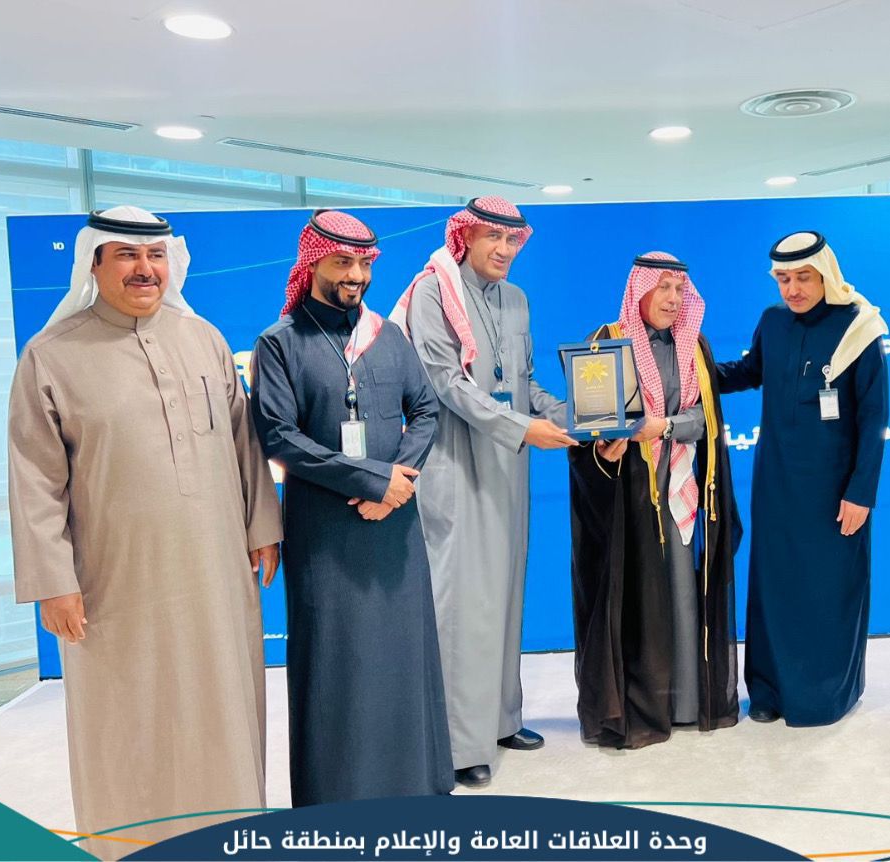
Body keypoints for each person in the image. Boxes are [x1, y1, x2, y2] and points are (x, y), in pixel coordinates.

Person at [7, 206, 281, 857]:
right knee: (128, 716)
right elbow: (35, 477)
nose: (144, 269)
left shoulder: (204, 339)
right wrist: (53, 582)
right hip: (115, 583)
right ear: (94, 262)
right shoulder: (52, 356)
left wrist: (262, 526)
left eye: (155, 255)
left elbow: (243, 442)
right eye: (127, 255)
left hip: (215, 575)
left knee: (221, 706)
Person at [250, 209, 453, 803]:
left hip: (395, 526)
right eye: (343, 262)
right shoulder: (280, 343)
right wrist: (373, 481)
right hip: (326, 534)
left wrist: (398, 481)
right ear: (313, 263)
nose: (356, 275)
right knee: (337, 664)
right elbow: (278, 435)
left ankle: (414, 789)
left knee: (401, 658)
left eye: (364, 263)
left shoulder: (389, 336)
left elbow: (426, 410)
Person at [391, 196, 574, 786]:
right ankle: (458, 743)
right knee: (463, 603)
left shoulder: (516, 299)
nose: (503, 249)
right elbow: (446, 384)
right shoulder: (432, 292)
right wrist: (524, 428)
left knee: (504, 591)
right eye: (492, 237)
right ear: (465, 237)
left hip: (509, 467)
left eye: (512, 240)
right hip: (456, 463)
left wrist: (575, 417)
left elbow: (523, 383)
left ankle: (500, 720)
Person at [567, 252, 740, 748]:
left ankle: (683, 702)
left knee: (682, 593)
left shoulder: (695, 347)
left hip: (681, 493)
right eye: (663, 287)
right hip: (629, 497)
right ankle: (640, 707)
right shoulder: (606, 341)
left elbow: (707, 419)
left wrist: (665, 426)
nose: (673, 299)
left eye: (680, 290)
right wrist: (605, 444)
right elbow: (592, 423)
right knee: (636, 596)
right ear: (639, 289)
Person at [715, 231, 888, 726]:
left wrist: (861, 492)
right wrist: (690, 366)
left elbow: (874, 417)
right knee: (775, 585)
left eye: (802, 278)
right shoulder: (772, 321)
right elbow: (748, 371)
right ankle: (769, 690)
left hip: (834, 489)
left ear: (825, 275)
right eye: (783, 279)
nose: (792, 289)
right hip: (776, 482)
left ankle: (824, 695)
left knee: (827, 590)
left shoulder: (860, 327)